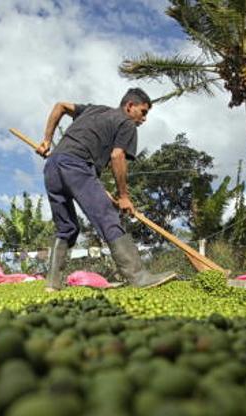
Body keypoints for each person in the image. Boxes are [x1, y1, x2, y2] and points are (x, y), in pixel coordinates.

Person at [36, 87, 177, 291]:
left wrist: (47, 141)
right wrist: (124, 196)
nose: (144, 119)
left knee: (67, 227)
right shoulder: (127, 123)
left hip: (53, 166)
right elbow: (117, 156)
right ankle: (138, 276)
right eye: (143, 112)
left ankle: (52, 283)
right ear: (130, 106)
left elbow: (61, 106)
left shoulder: (95, 110)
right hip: (77, 165)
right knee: (109, 219)